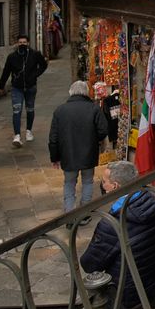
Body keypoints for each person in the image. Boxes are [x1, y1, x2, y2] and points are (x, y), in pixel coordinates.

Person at [80, 161, 155, 309]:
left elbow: (90, 264)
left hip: (125, 297)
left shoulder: (112, 224)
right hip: (152, 286)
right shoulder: (152, 203)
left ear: (115, 186)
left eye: (104, 182)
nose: (102, 185)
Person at [49, 81, 109, 213]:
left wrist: (54, 157)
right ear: (86, 93)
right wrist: (94, 140)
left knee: (69, 183)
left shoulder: (60, 111)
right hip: (88, 153)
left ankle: (70, 212)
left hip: (68, 154)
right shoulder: (93, 108)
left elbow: (53, 137)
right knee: (87, 181)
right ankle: (84, 212)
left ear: (71, 92)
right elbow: (103, 130)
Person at [0, 34, 48, 147]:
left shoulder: (35, 54)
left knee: (30, 109)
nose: (22, 44)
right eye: (20, 42)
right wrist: (1, 86)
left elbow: (43, 65)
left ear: (28, 43)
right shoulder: (12, 57)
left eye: (24, 42)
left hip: (31, 87)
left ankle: (29, 130)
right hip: (16, 88)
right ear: (17, 43)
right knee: (16, 110)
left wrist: (35, 75)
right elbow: (6, 72)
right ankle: (17, 135)